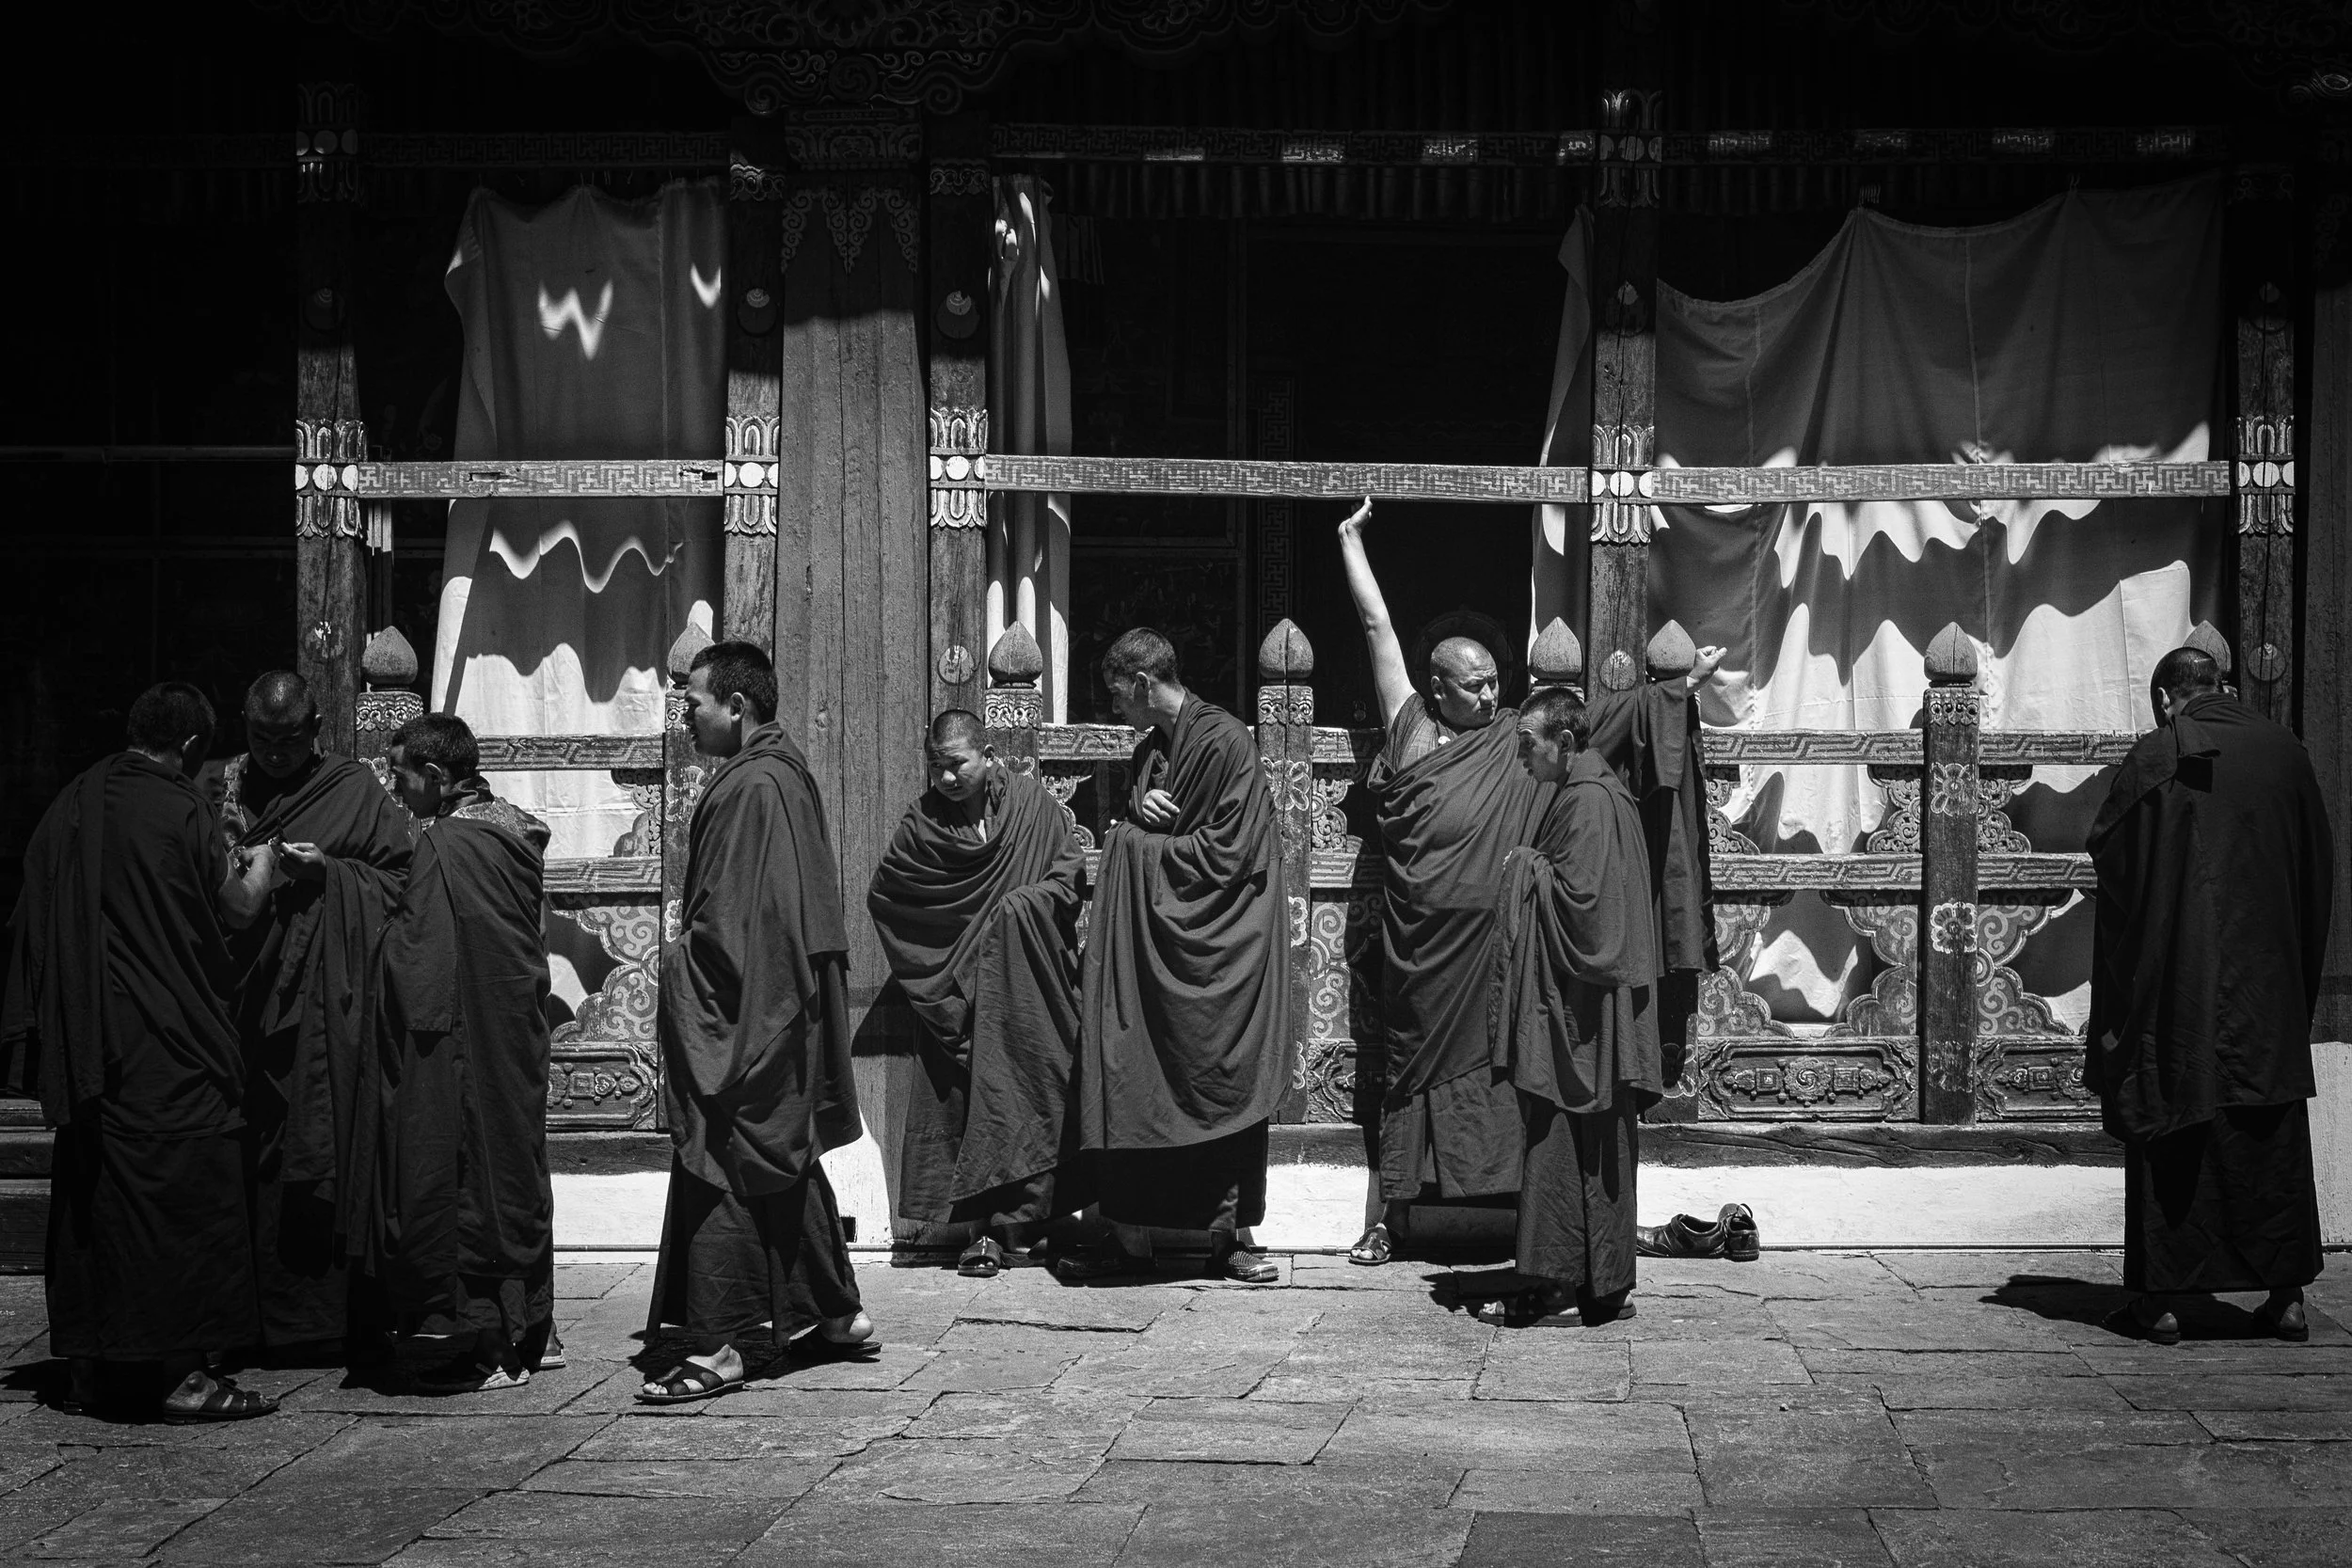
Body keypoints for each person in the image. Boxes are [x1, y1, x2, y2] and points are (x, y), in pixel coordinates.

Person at [2, 682, 279, 1420]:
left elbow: (34, 917)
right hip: (168, 1041)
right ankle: (186, 1374)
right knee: (183, 1195)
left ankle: (93, 1367)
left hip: (90, 1039)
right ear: (190, 748)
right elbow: (236, 905)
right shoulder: (180, 806)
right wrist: (265, 860)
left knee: (97, 1198)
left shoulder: (72, 802)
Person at [643, 641, 873, 1403]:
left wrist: (681, 966)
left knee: (728, 1148)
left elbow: (735, 926)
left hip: (750, 1005)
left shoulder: (751, 787)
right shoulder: (782, 772)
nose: (686, 717)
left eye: (694, 702)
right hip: (786, 1000)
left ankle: (730, 1342)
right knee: (781, 1144)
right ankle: (835, 1312)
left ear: (736, 706)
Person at [2088, 645, 2334, 1345]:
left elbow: (2113, 855)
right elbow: (2318, 865)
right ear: (2220, 686)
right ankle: (2285, 1298)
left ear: (2168, 698)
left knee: (2175, 1118)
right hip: (2265, 989)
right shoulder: (2287, 752)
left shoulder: (2160, 755)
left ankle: (2160, 1304)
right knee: (2270, 1131)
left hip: (2181, 984)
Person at [1336, 499, 1556, 1267]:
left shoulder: (1514, 740)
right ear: (1439, 687)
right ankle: (1387, 1219)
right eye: (1476, 686)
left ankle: (1531, 1215)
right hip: (1425, 957)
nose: (1493, 697)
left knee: (1507, 1074)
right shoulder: (1416, 732)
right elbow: (1377, 631)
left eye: (1497, 682)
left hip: (1494, 950)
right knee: (1409, 1080)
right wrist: (1349, 541)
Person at [1059, 627, 1290, 1286]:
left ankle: (1231, 1237)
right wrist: (1135, 815)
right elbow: (1147, 825)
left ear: (1142, 683)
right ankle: (1130, 1237)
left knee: (1221, 1071)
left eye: (1116, 694)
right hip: (1160, 954)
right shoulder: (1153, 752)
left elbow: (1228, 855)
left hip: (1219, 950)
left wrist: (1135, 844)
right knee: (1137, 1067)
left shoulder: (1227, 743)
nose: (1114, 710)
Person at [356, 712, 557, 1392]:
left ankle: (503, 1344)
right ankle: (534, 1329)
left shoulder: (448, 843)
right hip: (512, 1027)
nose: (393, 786)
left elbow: (418, 958)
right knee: (516, 1164)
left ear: (438, 777)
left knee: (477, 1172)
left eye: (401, 772)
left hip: (469, 1035)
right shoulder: (511, 828)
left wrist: (376, 937)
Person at [220, 672, 413, 1360]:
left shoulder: (351, 789)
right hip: (241, 1002)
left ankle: (319, 1321)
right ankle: (247, 1317)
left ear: (316, 729)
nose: (274, 751)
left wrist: (329, 872)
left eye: (289, 737)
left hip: (320, 1007)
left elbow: (398, 881)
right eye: (261, 737)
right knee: (248, 1153)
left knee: (319, 1140)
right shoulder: (222, 788)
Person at [868, 710, 1089, 1277]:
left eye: (957, 764)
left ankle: (1042, 1222)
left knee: (1038, 1089)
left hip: (1027, 982)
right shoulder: (921, 825)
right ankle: (982, 1233)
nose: (946, 777)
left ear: (988, 755)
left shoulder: (1032, 806)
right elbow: (889, 896)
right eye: (937, 767)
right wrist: (946, 964)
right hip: (958, 987)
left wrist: (1020, 911)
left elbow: (1068, 875)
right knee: (967, 1104)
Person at [1481, 687, 1661, 1326]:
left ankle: (1552, 1283)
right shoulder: (1596, 791)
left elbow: (1586, 912)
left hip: (1579, 1014)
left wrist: (1524, 868)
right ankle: (1602, 1285)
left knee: (1558, 1137)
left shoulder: (1587, 800)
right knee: (1594, 1141)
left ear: (1564, 742)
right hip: (1589, 1007)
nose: (1521, 754)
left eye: (1528, 743)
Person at [1582, 626, 1759, 1264]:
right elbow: (1589, 734)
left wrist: (1680, 694)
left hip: (1641, 915)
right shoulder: (1601, 726)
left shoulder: (1656, 717)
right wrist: (1684, 687)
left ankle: (1610, 1213)